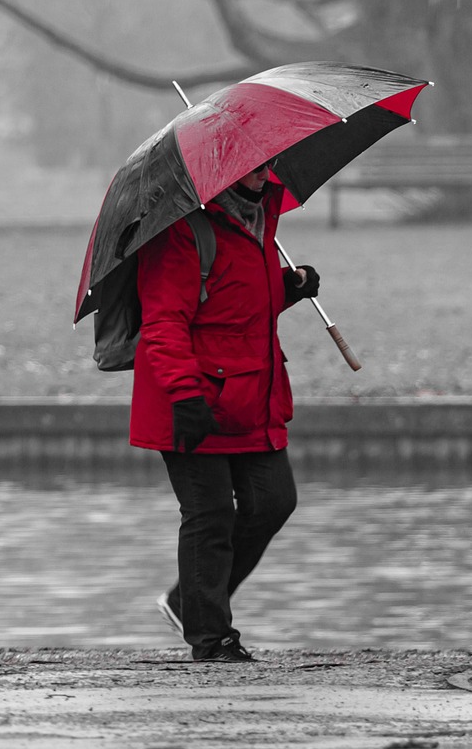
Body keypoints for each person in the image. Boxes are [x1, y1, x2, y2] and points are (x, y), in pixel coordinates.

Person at [128, 158, 321, 662]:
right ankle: (211, 640)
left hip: (250, 396)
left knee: (273, 502)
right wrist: (184, 395)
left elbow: (236, 306)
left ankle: (188, 603)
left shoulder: (261, 219)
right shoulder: (180, 231)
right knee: (210, 515)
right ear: (225, 171)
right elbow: (164, 321)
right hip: (191, 398)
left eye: (272, 165)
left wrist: (288, 288)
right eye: (255, 169)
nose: (265, 176)